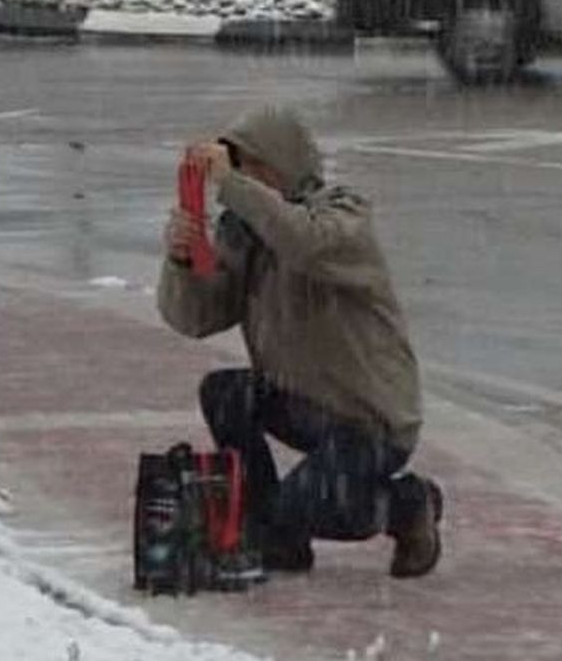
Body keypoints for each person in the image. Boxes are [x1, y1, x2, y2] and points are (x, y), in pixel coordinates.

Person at [157, 105, 443, 578]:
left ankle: (406, 505)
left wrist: (232, 185)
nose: (242, 180)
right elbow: (198, 318)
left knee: (313, 507)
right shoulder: (246, 232)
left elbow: (304, 243)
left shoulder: (342, 215)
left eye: (249, 166)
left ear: (280, 164)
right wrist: (183, 261)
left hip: (370, 420)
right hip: (303, 404)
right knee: (226, 393)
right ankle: (277, 532)